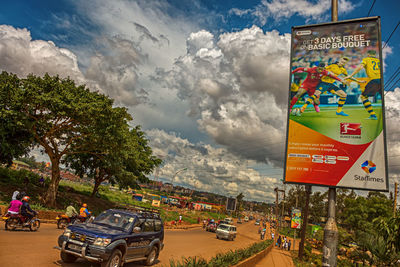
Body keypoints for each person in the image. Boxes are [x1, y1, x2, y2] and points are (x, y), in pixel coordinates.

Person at [347, 50, 380, 120]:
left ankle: (373, 115)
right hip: (382, 80)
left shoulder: (366, 59)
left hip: (374, 80)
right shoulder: (379, 60)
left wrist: (351, 75)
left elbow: (360, 67)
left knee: (363, 97)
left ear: (368, 54)